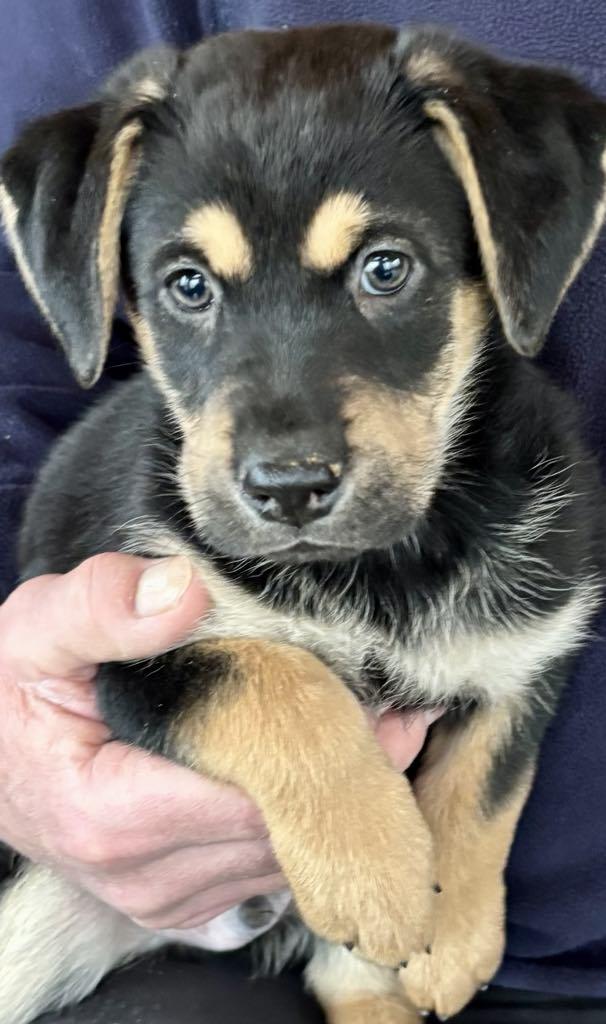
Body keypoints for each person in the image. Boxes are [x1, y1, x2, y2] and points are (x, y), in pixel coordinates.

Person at [0, 2, 605, 1022]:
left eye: (384, 269)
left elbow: (519, 683)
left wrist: (464, 871)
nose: (284, 462)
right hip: (176, 932)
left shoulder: (543, 527)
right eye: (189, 285)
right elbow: (11, 357)